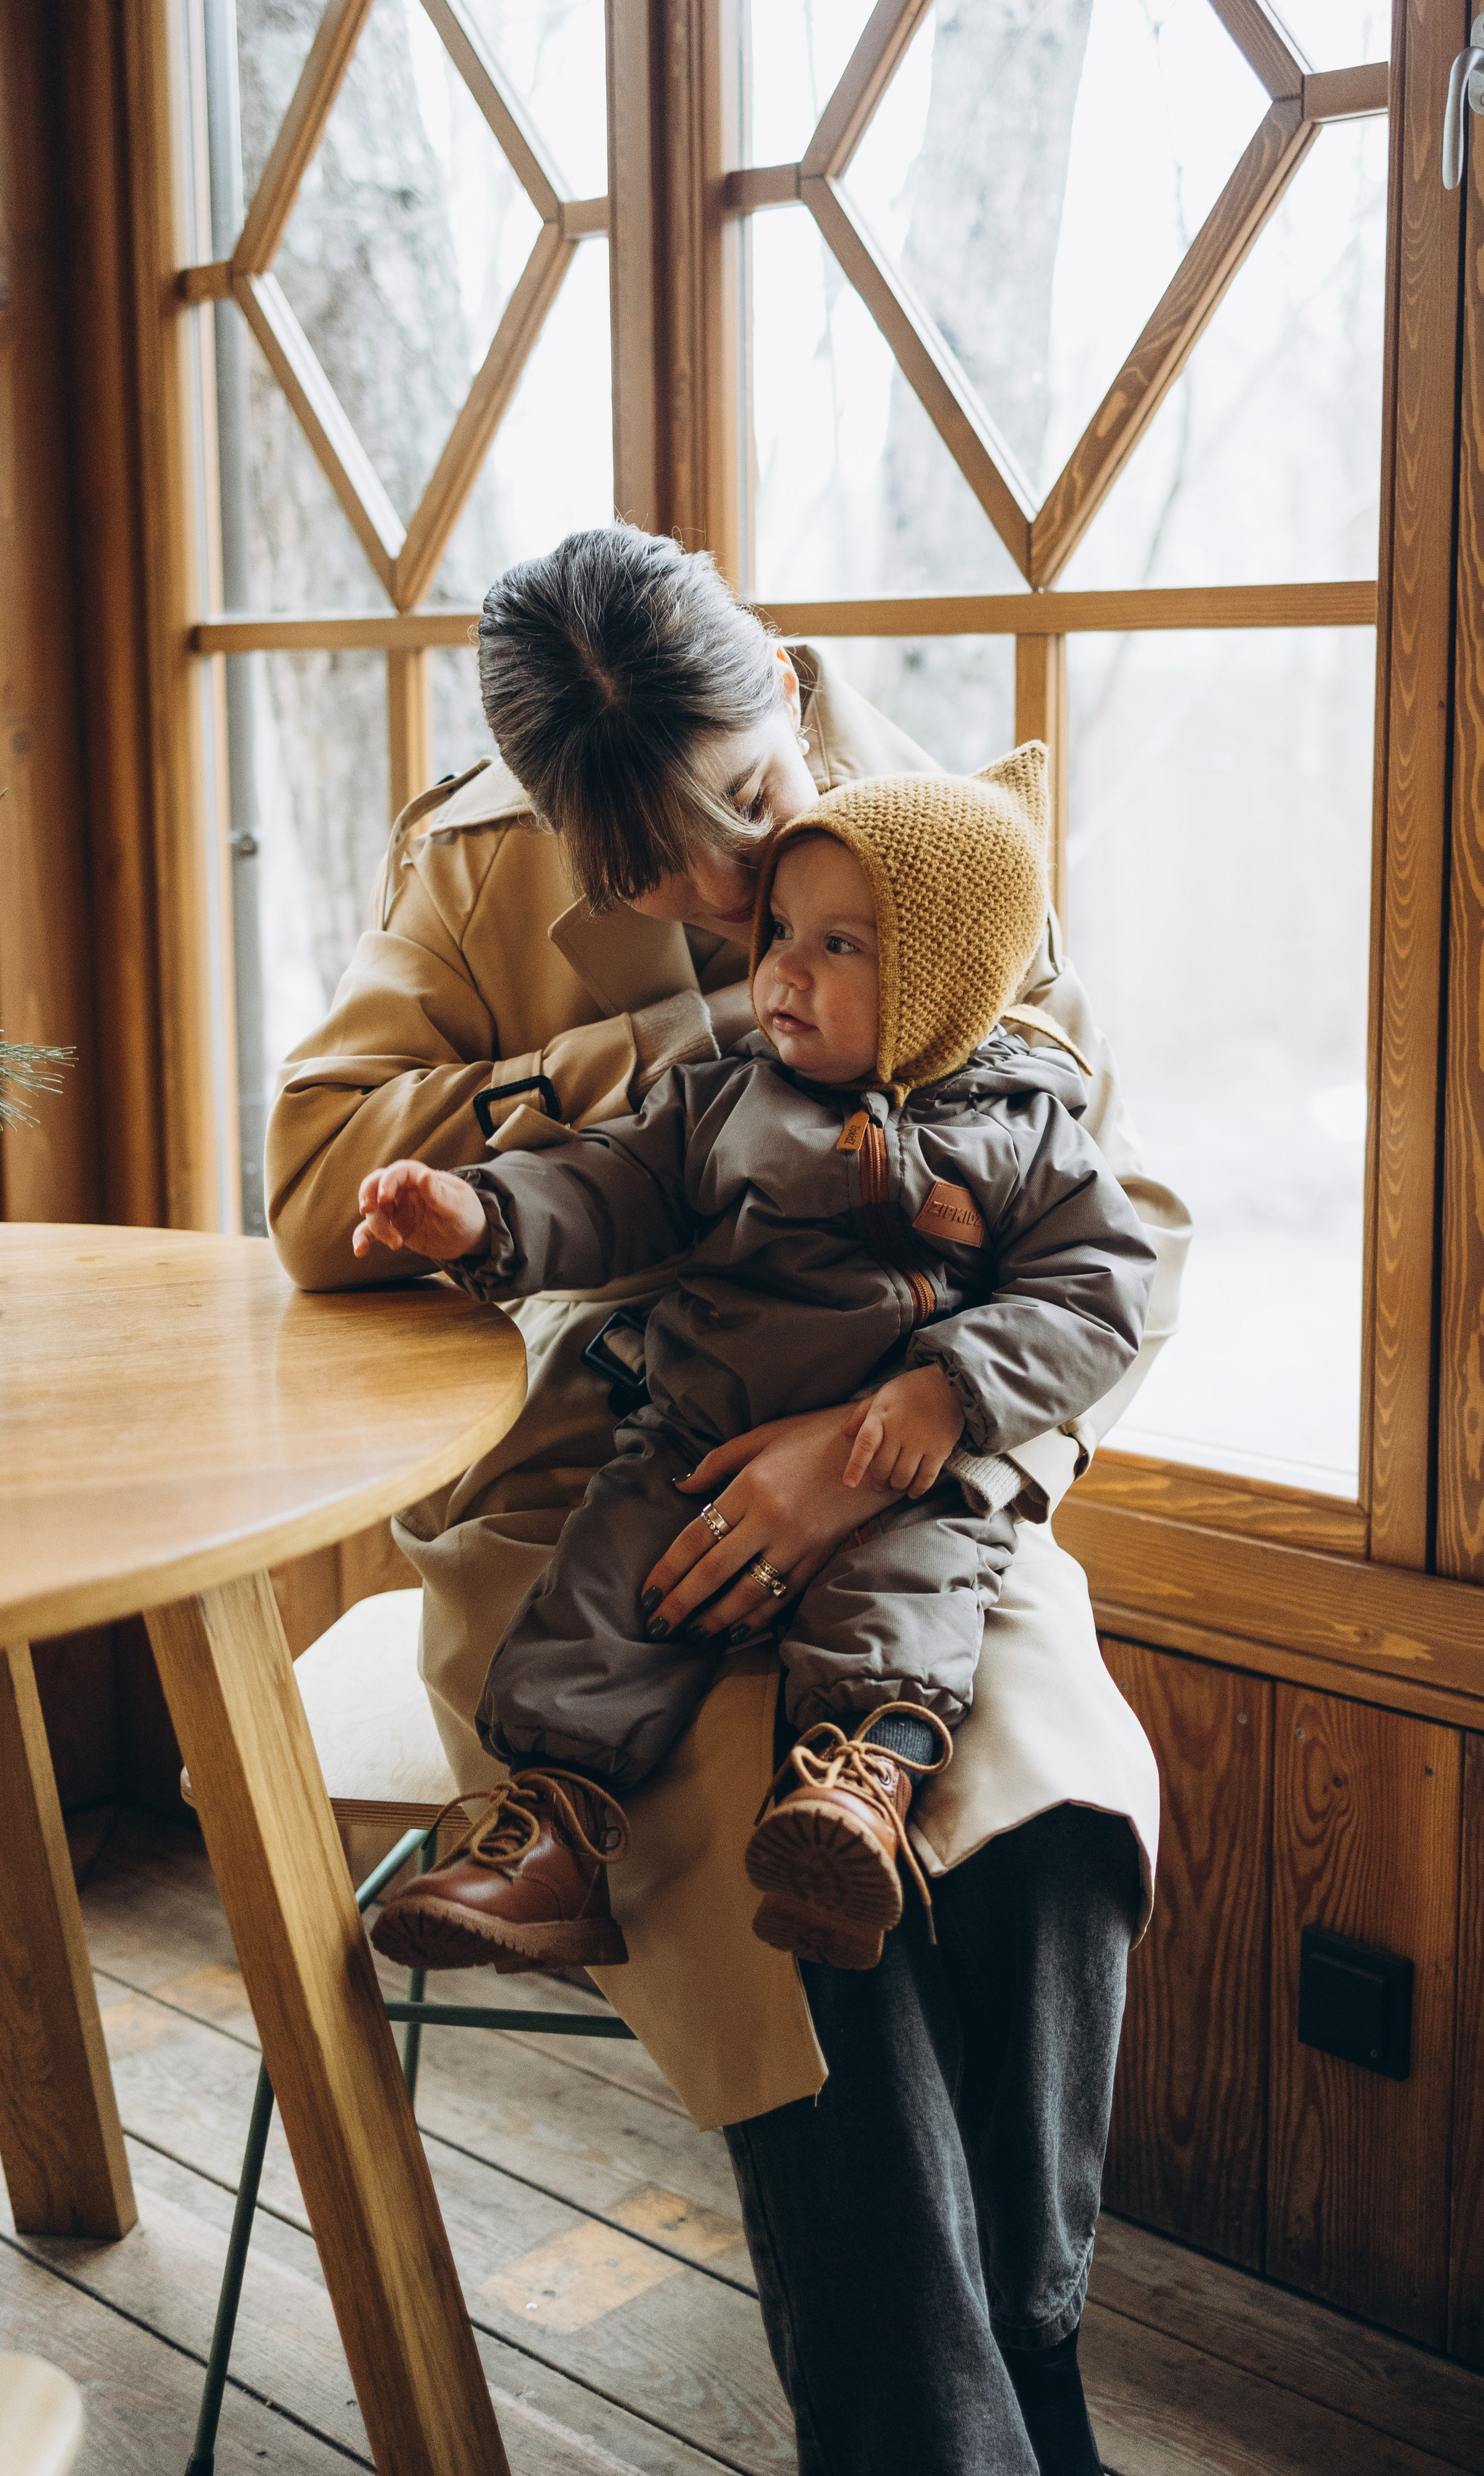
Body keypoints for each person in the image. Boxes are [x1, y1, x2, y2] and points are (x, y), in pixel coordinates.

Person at [265, 524, 1190, 2476]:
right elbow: (311, 1190)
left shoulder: (941, 844)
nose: (721, 886)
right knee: (801, 1934)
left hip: (921, 1485)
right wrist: (697, 1055)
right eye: (648, 872)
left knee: (1032, 1811)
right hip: (596, 1509)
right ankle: (960, 2439)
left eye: (755, 813)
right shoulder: (474, 866)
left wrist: (904, 1438)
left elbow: (1114, 1223)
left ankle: (1015, 2367)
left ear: (780, 677)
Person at [347, 750, 1158, 1979]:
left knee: (907, 1595)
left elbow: (1100, 1292)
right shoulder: (725, 1101)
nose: (780, 967)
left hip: (905, 1462)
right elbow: (603, 1183)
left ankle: (855, 1799)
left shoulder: (1023, 1135)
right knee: (607, 1587)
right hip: (699, 1437)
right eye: (782, 929)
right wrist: (479, 1213)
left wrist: (951, 1388)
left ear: (941, 979)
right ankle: (552, 1841)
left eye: (843, 946)